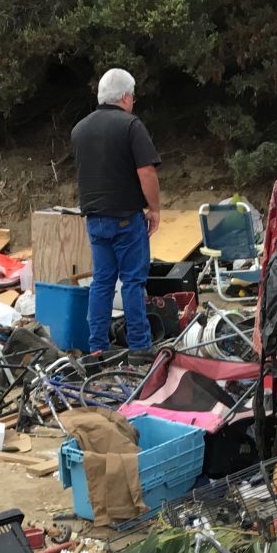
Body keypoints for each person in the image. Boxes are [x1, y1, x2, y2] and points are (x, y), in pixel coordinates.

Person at [70, 68, 161, 354]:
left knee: (102, 282)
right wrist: (155, 209)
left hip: (95, 220)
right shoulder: (130, 125)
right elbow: (146, 171)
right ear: (124, 96)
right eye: (132, 96)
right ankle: (139, 347)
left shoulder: (79, 130)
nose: (133, 101)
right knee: (133, 282)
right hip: (125, 218)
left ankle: (97, 347)